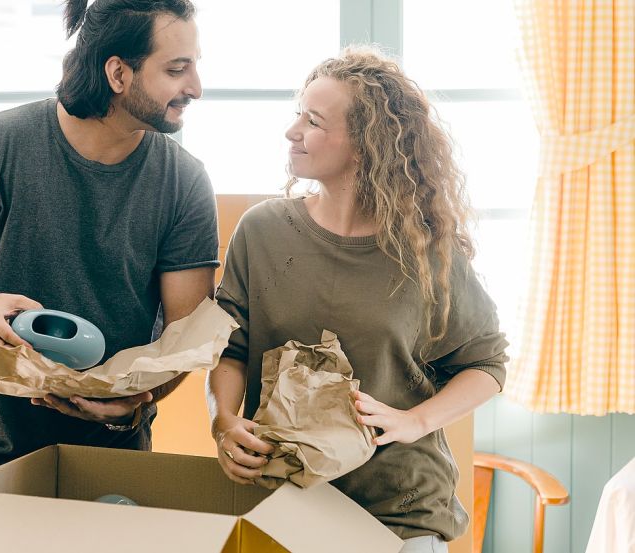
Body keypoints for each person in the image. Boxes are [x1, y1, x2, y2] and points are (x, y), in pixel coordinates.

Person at [0, 0, 217, 519]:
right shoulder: (2, 143)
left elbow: (185, 336)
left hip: (111, 458)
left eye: (195, 64)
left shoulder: (184, 182)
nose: (196, 87)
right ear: (118, 72)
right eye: (177, 69)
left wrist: (138, 399)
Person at [206, 46, 508, 552]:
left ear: (366, 145)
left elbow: (487, 363)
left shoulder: (426, 251)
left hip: (398, 513)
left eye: (314, 121)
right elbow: (228, 347)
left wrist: (415, 422)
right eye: (297, 114)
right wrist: (222, 421)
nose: (292, 131)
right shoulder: (261, 231)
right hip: (281, 503)